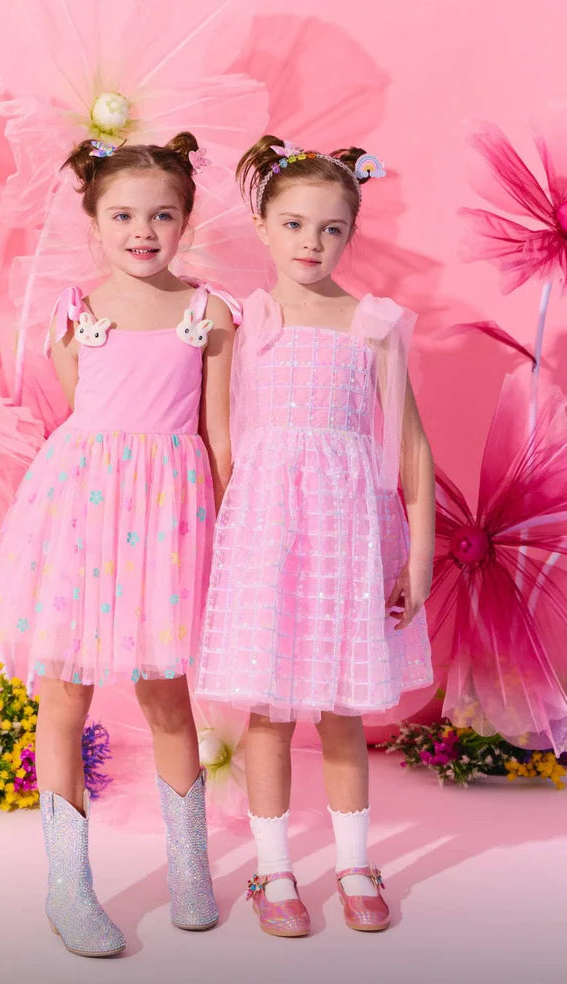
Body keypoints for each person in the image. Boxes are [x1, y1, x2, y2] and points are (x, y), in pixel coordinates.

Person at [0, 132, 239, 956]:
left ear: (188, 218)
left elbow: (216, 432)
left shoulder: (209, 312)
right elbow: (82, 415)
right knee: (66, 691)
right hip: (84, 510)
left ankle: (190, 867)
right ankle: (67, 885)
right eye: (123, 213)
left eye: (162, 214)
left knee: (168, 690)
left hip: (171, 513)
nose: (143, 229)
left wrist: (227, 528)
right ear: (94, 219)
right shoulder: (75, 312)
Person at [196, 136, 435, 936]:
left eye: (331, 229)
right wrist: (231, 543)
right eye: (294, 224)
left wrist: (422, 553)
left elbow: (409, 446)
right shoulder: (243, 319)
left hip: (348, 541)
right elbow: (221, 441)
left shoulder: (374, 324)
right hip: (268, 537)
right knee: (269, 712)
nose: (311, 242)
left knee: (339, 709)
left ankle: (356, 861)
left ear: (351, 235)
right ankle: (272, 870)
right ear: (262, 225)